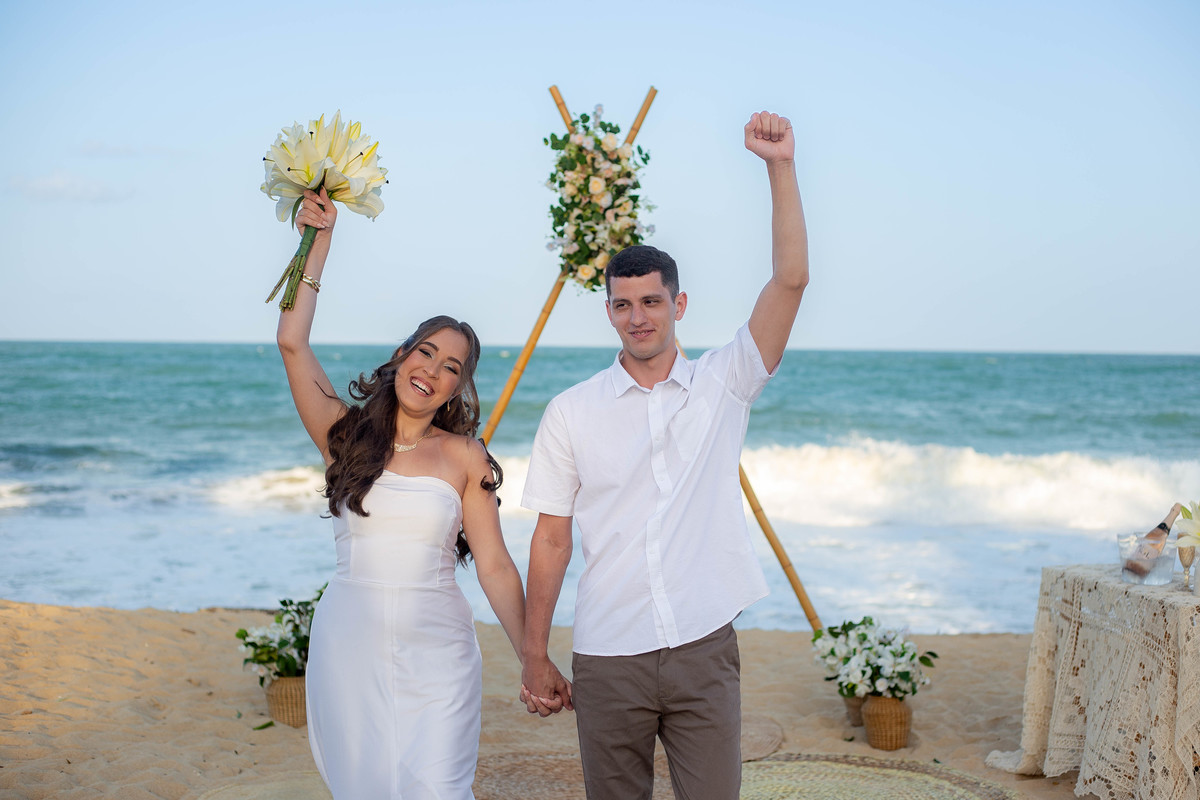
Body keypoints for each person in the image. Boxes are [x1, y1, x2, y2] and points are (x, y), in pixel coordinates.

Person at [519, 111, 808, 800]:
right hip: (607, 651)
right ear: (610, 311)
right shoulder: (571, 411)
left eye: (652, 301)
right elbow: (552, 539)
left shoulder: (724, 382)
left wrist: (780, 166)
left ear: (678, 303)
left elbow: (791, 281)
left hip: (703, 646)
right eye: (623, 305)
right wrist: (535, 655)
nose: (638, 316)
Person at [276, 187, 562, 798]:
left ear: (458, 388)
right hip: (348, 643)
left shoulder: (466, 457)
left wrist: (532, 657)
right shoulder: (343, 435)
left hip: (439, 652)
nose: (432, 370)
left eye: (451, 366)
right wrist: (318, 242)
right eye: (425, 352)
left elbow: (494, 565)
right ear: (401, 355)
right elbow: (293, 344)